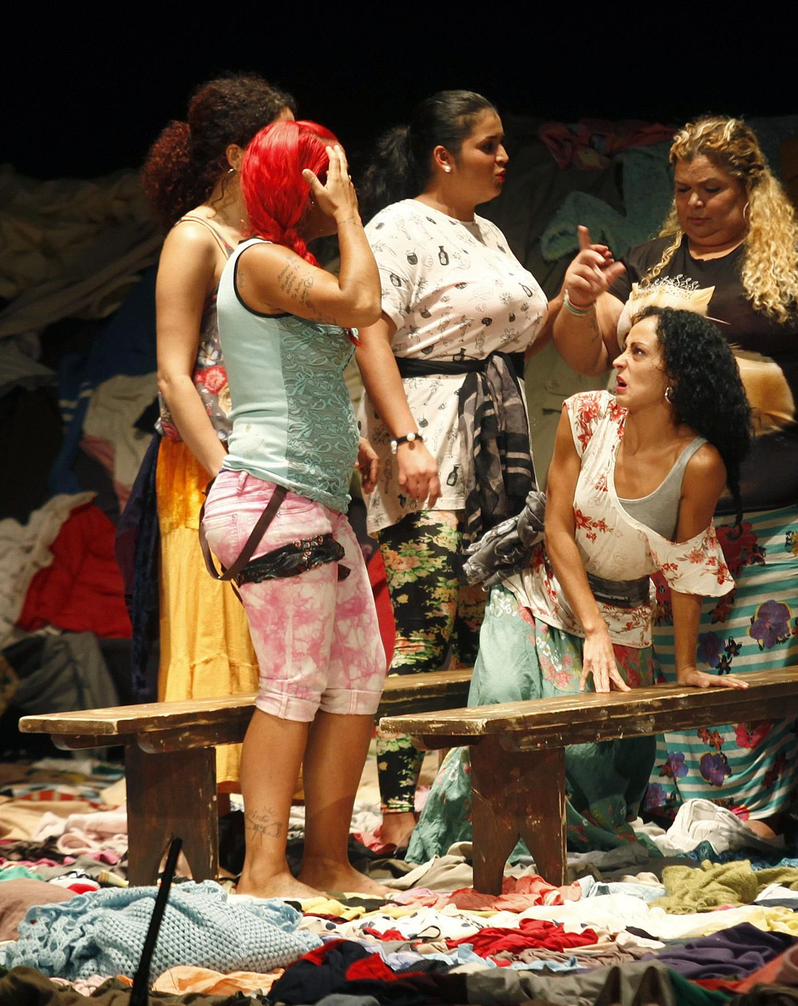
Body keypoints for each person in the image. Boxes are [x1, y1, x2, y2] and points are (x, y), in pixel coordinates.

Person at [554, 116, 798, 830]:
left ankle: (758, 809)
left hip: (787, 503)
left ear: (749, 188)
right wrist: (579, 299)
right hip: (678, 513)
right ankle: (691, 809)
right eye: (684, 190)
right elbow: (586, 355)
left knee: (761, 663)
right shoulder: (648, 266)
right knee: (682, 660)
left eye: (713, 189)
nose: (697, 203)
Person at [407, 308, 754, 862]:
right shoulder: (586, 416)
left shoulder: (699, 462)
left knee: (591, 758)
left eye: (638, 353)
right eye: (623, 348)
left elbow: (686, 567)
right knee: (499, 711)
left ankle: (549, 853)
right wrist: (589, 626)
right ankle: (475, 850)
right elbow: (557, 526)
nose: (618, 359)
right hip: (539, 590)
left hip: (624, 611)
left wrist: (686, 667)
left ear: (676, 378)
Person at [355, 91, 577, 850]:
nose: (505, 156)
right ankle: (394, 807)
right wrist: (404, 438)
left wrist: (573, 295)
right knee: (424, 632)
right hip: (429, 438)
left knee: (493, 633)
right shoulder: (398, 227)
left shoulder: (485, 232)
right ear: (443, 156)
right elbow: (369, 334)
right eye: (489, 145)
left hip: (492, 441)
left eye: (505, 143)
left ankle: (465, 798)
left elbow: (517, 340)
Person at [198, 120, 387, 898]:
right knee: (292, 685)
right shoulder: (260, 260)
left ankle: (329, 861)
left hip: (314, 502)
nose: (343, 186)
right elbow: (362, 303)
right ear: (296, 185)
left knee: (358, 677)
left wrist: (349, 441)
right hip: (271, 502)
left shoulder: (285, 264)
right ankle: (263, 870)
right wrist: (346, 216)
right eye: (330, 176)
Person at [129, 75, 294, 801]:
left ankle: (258, 817)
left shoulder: (265, 242)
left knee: (276, 648)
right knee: (215, 637)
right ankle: (208, 814)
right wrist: (227, 475)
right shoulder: (195, 238)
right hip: (211, 473)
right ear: (235, 153)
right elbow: (174, 376)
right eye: (277, 139)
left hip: (278, 468)